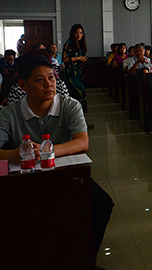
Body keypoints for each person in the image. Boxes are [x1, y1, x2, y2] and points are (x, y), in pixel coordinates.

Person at [0, 55, 113, 262]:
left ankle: (84, 260)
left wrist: (46, 151)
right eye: (40, 79)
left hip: (64, 175)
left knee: (102, 204)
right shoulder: (9, 114)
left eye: (51, 77)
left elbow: (82, 142)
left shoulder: (70, 105)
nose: (49, 84)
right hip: (25, 179)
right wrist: (13, 155)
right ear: (23, 85)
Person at [63, 24, 89, 114]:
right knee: (77, 94)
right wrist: (79, 58)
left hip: (78, 73)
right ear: (72, 33)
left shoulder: (80, 44)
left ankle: (82, 117)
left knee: (82, 94)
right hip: (71, 73)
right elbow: (64, 59)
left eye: (81, 33)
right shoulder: (69, 44)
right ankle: (76, 116)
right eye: (76, 33)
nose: (79, 35)